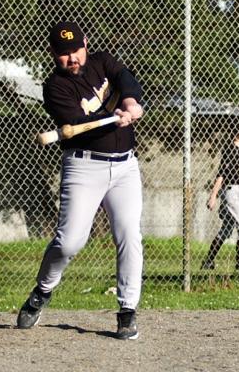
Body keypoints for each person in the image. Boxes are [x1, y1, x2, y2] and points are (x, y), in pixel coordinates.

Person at [16, 20, 144, 340]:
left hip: (126, 167)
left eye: (76, 49)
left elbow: (125, 78)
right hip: (83, 168)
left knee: (129, 234)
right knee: (70, 241)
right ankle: (43, 291)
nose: (72, 58)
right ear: (52, 54)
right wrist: (114, 118)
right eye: (64, 54)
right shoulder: (55, 87)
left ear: (85, 43)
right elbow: (74, 123)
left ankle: (127, 312)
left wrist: (128, 102)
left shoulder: (102, 60)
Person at [201, 120, 239, 271]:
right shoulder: (232, 149)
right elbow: (221, 174)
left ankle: (209, 261)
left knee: (227, 228)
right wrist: (213, 195)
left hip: (232, 192)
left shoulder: (236, 150)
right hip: (234, 192)